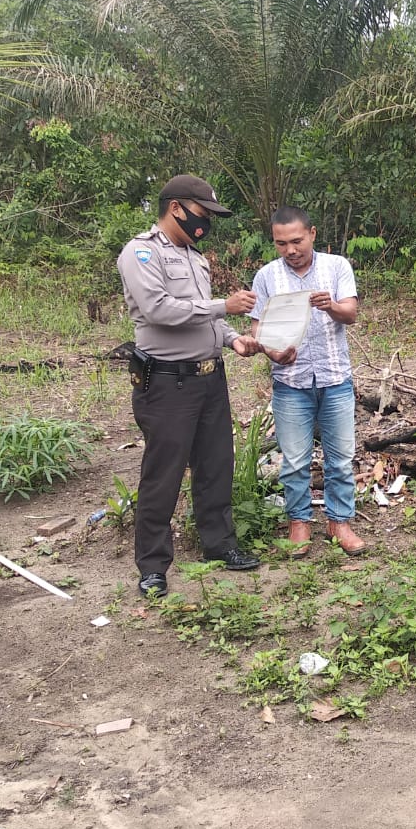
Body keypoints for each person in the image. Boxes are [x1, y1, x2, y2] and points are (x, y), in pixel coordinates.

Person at [117, 174, 263, 597]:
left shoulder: (195, 257)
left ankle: (220, 545)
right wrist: (225, 305)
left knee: (216, 465)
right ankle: (153, 566)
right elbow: (159, 309)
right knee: (163, 475)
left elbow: (205, 318)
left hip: (209, 378)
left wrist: (233, 337)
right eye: (203, 214)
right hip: (167, 383)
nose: (207, 223)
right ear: (177, 207)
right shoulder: (141, 252)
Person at [250, 206, 366, 559]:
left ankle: (340, 522)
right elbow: (258, 327)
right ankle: (299, 522)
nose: (290, 250)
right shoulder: (267, 276)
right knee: (296, 459)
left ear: (312, 233)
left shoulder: (336, 267)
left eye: (297, 240)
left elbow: (351, 313)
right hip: (291, 381)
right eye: (281, 243)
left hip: (334, 378)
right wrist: (271, 351)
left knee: (341, 458)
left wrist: (330, 306)